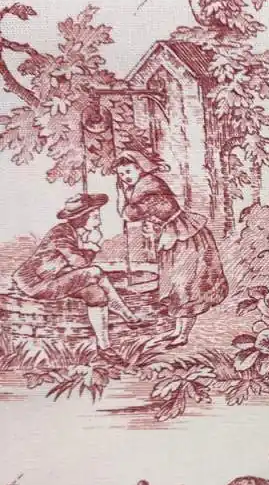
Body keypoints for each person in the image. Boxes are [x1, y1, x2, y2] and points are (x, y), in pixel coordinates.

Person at [113, 150, 229, 348]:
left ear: (140, 169)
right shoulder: (142, 187)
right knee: (177, 284)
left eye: (128, 171)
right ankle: (178, 330)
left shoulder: (149, 188)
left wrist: (120, 195)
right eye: (121, 174)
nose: (125, 177)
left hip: (186, 238)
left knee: (186, 285)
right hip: (174, 238)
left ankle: (183, 335)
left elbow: (129, 214)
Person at [12, 193, 140, 364]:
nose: (99, 222)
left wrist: (87, 247)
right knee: (95, 272)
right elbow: (80, 263)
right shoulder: (61, 233)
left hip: (57, 277)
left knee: (95, 293)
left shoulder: (76, 233)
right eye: (95, 217)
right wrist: (93, 247)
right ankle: (128, 315)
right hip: (38, 284)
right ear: (82, 218)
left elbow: (72, 266)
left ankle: (104, 348)